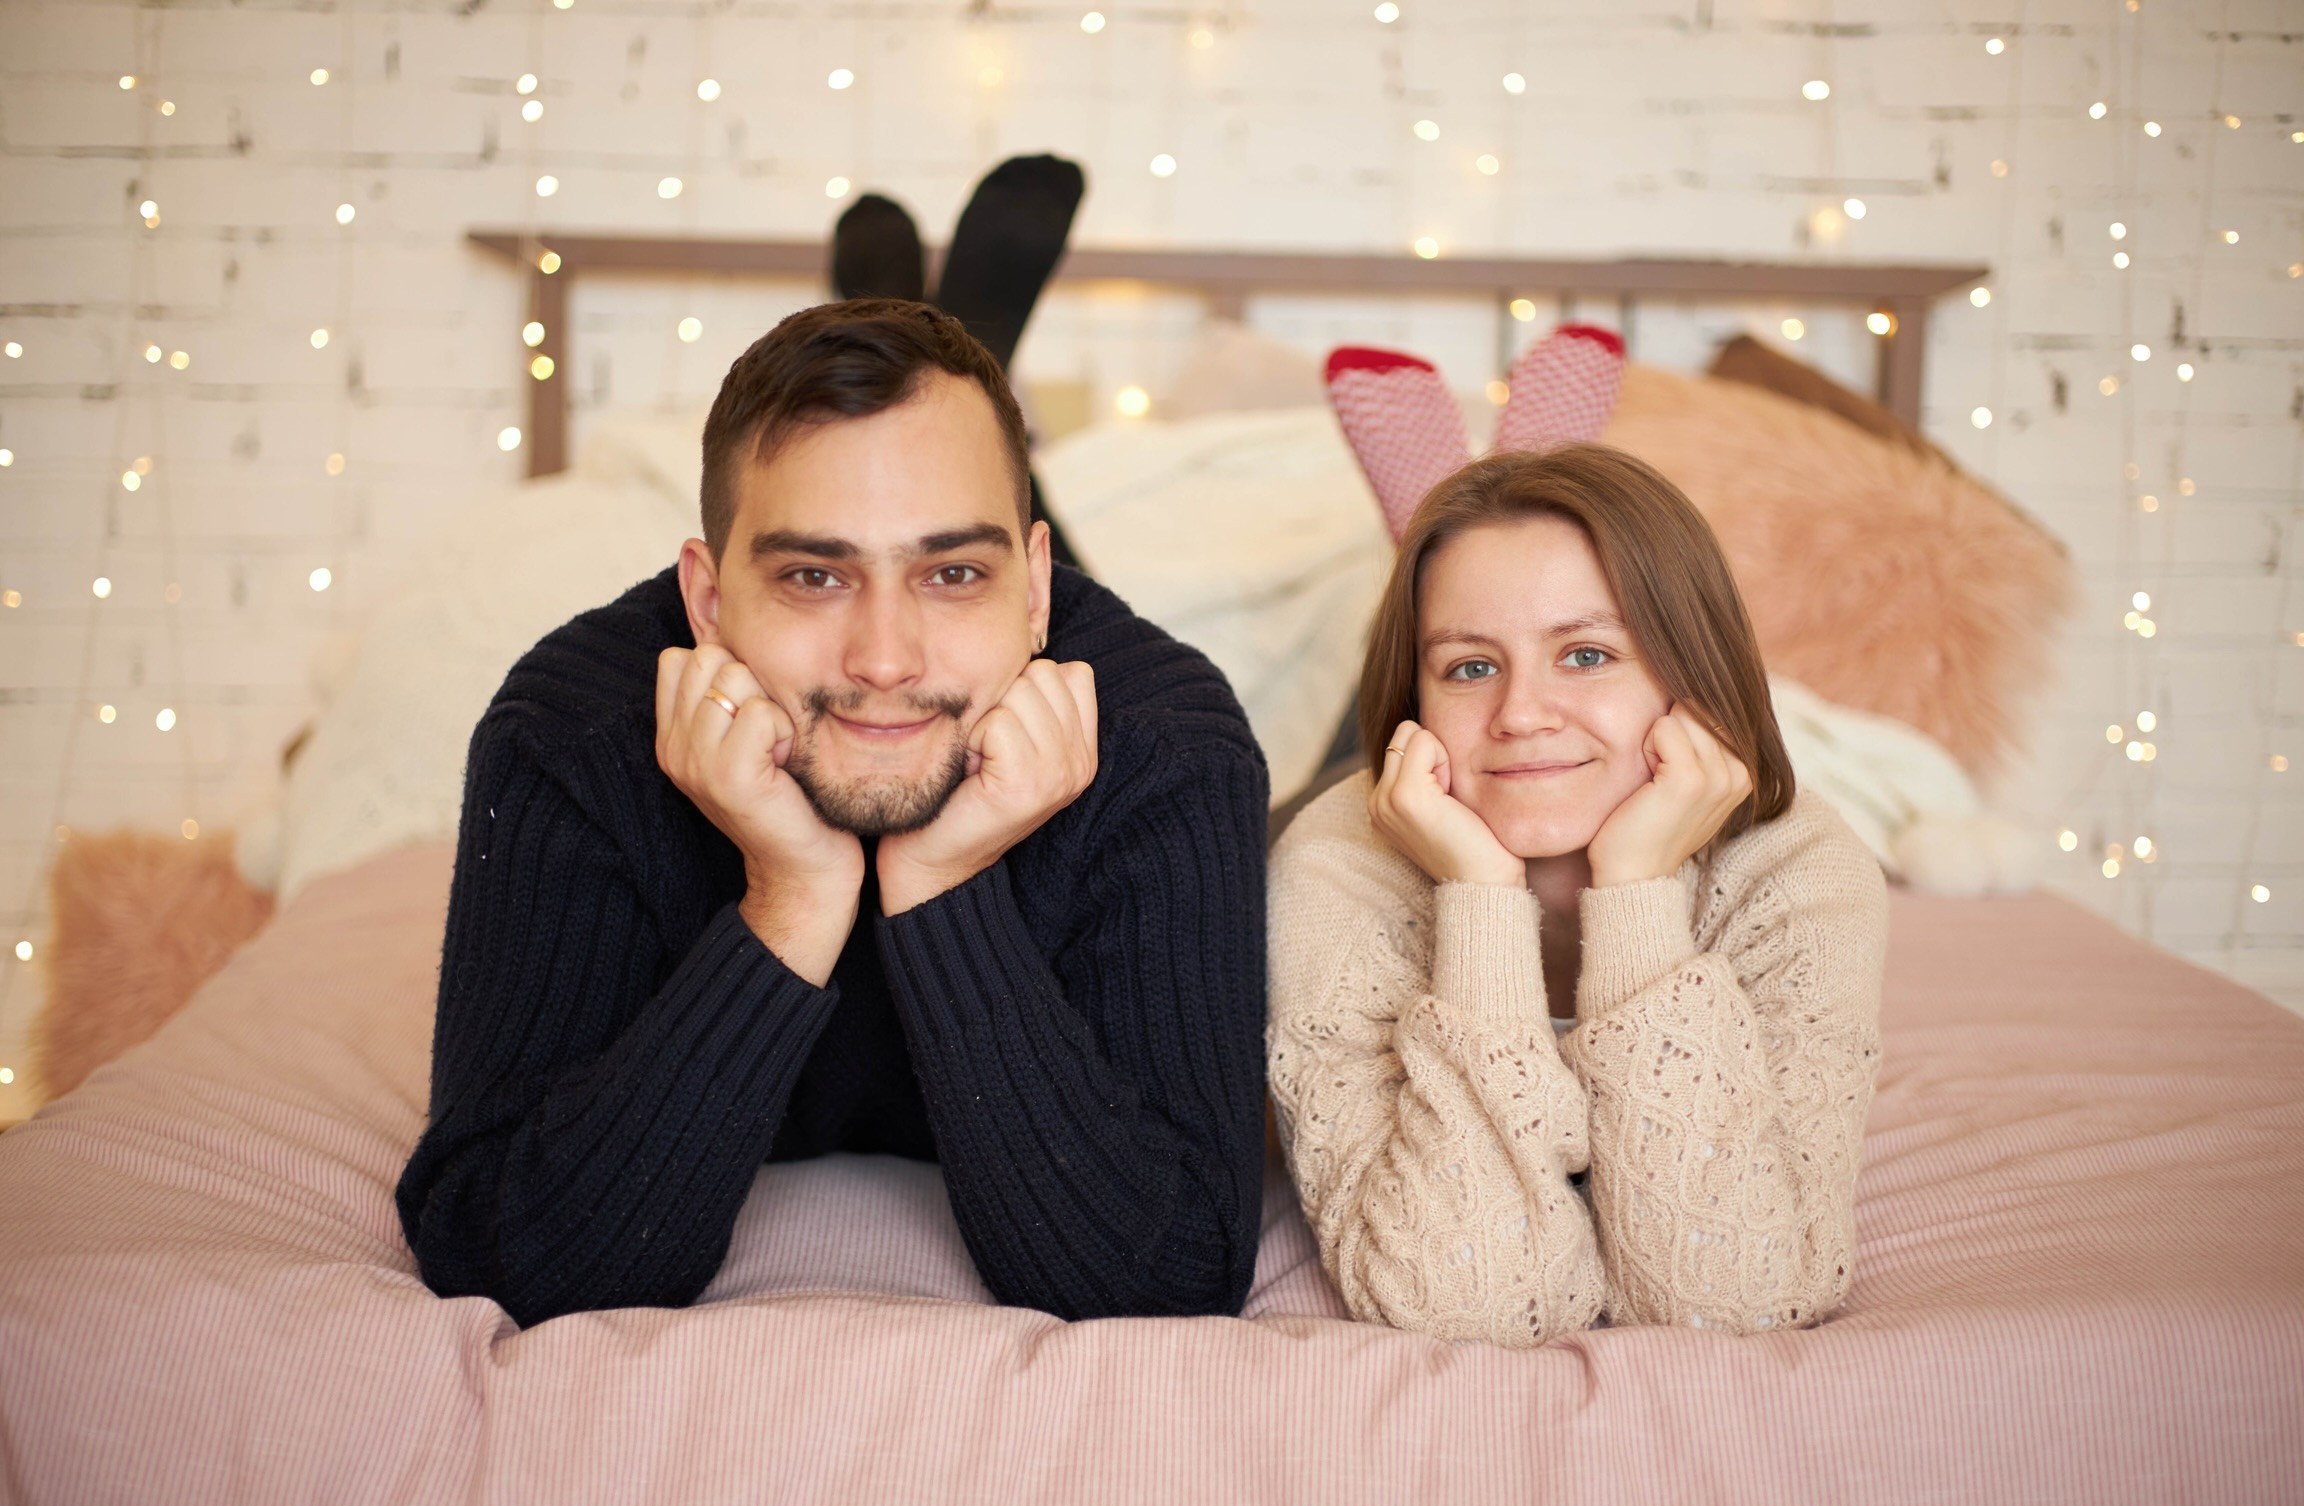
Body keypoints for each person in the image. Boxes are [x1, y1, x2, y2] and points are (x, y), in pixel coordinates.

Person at [396, 299, 1270, 1328]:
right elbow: (504, 1251)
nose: (885, 659)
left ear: (1036, 588)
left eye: (954, 573)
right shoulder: (571, 739)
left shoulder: (1168, 750)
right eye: (815, 576)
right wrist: (792, 898)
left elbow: (1170, 1276)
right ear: (709, 601)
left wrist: (944, 888)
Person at [1266, 444, 1887, 1349]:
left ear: (1692, 674)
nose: (1522, 714)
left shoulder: (1801, 874)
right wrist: (1479, 898)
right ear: (1416, 699)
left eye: (1586, 654)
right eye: (1471, 668)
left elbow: (1730, 1297)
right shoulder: (1336, 866)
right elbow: (1464, 1299)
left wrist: (1636, 895)